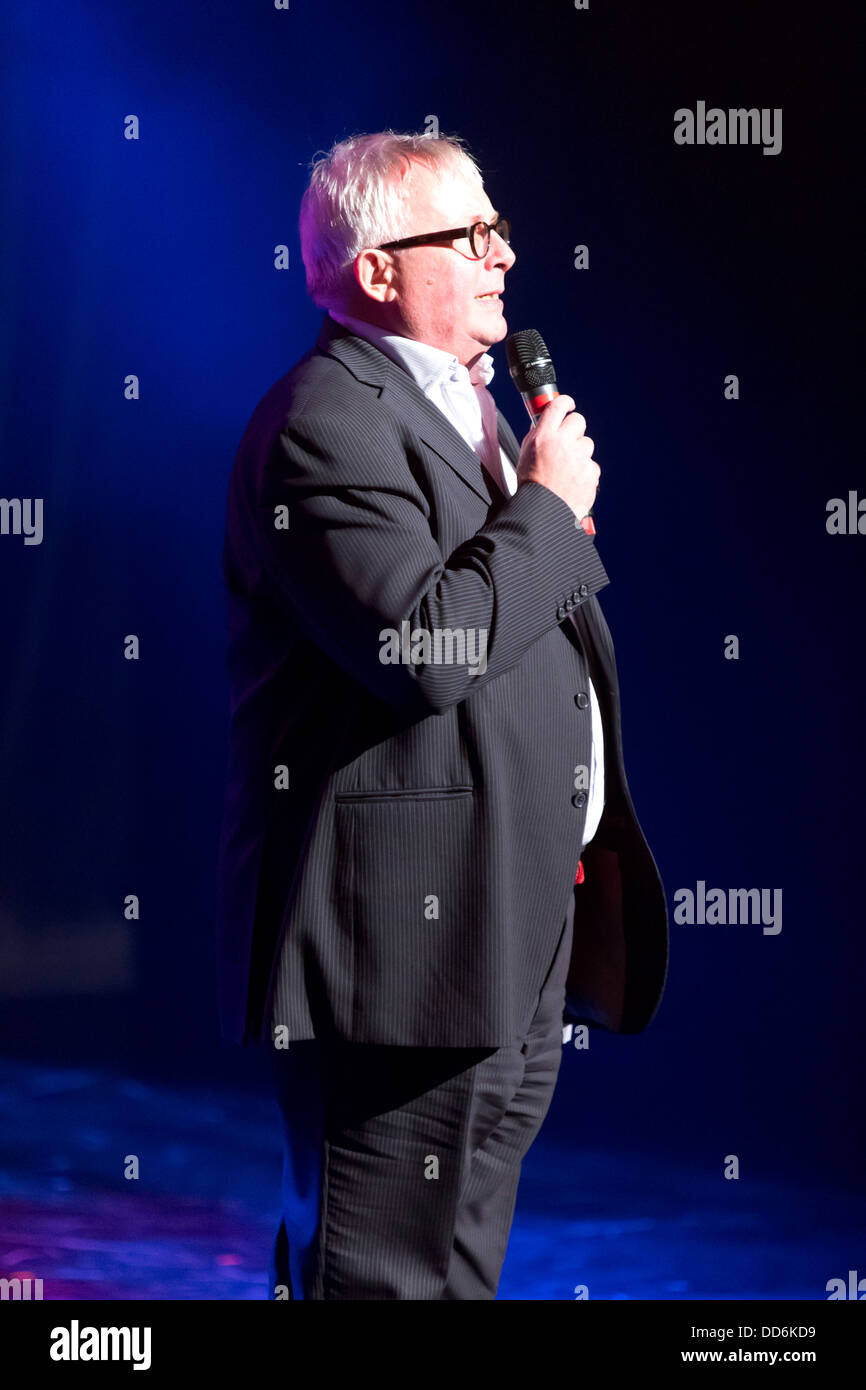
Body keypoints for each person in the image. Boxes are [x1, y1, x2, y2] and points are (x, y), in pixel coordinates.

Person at [215, 130, 668, 1300]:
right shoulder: (326, 421)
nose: (501, 255)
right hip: (400, 953)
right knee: (378, 1277)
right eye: (469, 236)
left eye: (499, 229)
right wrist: (549, 517)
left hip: (504, 927)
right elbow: (425, 647)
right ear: (375, 270)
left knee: (456, 1270)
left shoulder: (466, 412)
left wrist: (536, 520)